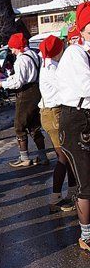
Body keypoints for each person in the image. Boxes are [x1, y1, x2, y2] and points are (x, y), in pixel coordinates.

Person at [56, 2, 90, 253]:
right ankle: (86, 235)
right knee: (86, 183)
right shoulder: (74, 54)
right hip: (78, 120)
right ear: (83, 29)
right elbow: (87, 86)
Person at [0, 33, 48, 168]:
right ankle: (43, 156)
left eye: (13, 48)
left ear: (18, 47)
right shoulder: (34, 54)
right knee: (34, 125)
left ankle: (24, 158)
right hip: (36, 90)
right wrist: (6, 79)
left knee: (19, 125)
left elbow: (19, 82)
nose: (12, 51)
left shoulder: (22, 59)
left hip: (26, 93)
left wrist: (2, 84)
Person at [38, 35, 76, 213]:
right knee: (64, 156)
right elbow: (67, 87)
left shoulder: (49, 64)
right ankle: (56, 197)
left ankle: (72, 192)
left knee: (67, 155)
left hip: (52, 113)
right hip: (54, 113)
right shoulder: (52, 68)